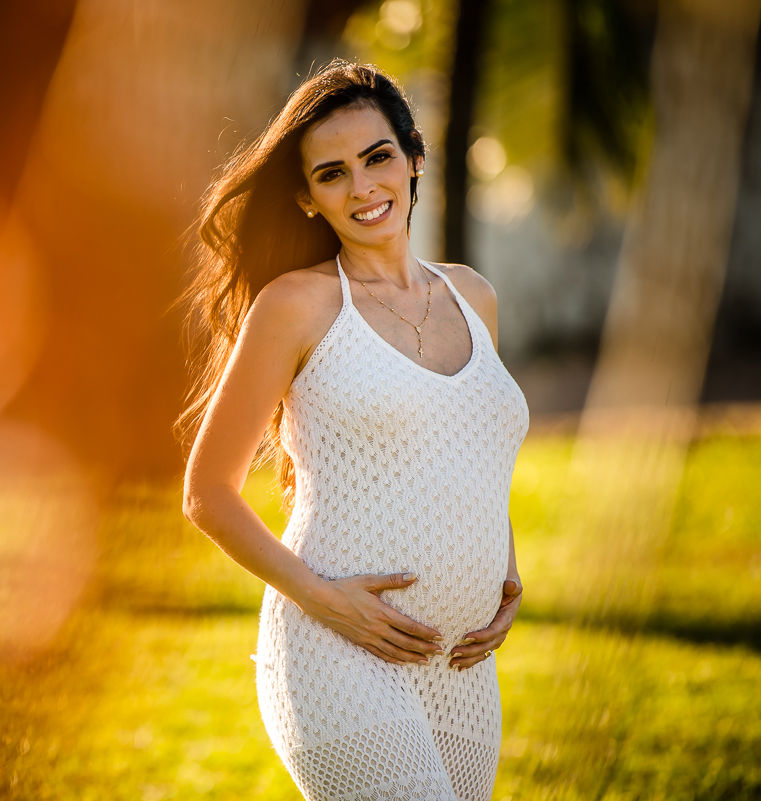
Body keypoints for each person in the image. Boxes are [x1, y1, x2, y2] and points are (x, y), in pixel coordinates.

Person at [177, 59, 528, 800]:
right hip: (335, 653)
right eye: (333, 174)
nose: (364, 188)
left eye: (378, 158)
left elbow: (476, 443)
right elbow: (207, 491)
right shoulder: (295, 306)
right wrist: (325, 600)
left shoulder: (473, 296)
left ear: (414, 158)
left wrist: (506, 567)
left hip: (461, 665)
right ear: (307, 198)